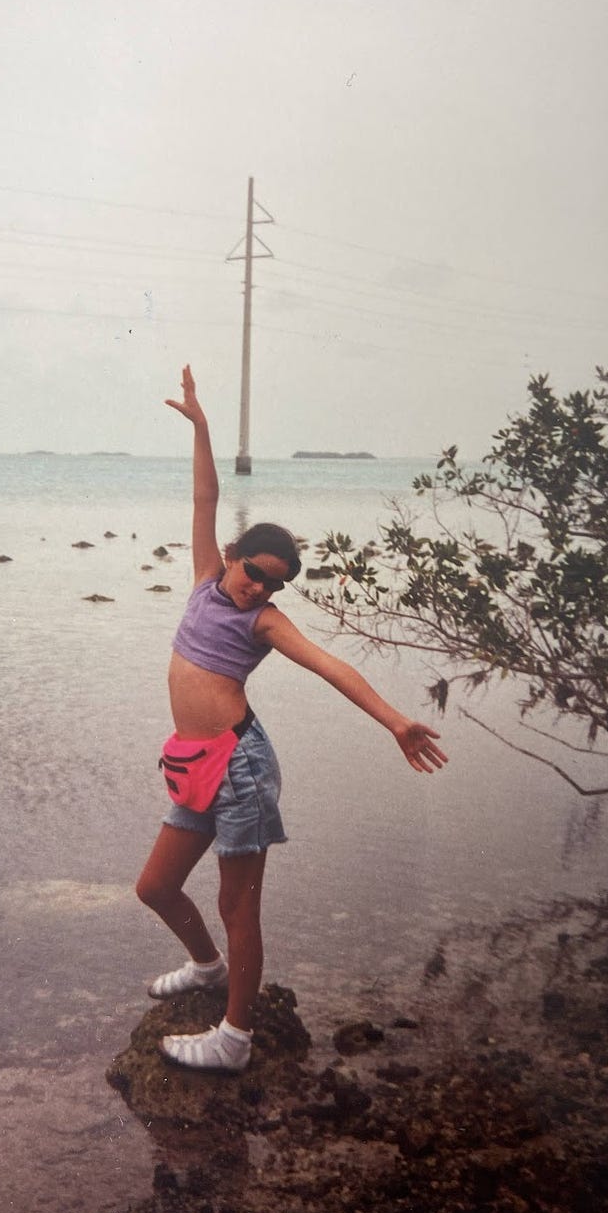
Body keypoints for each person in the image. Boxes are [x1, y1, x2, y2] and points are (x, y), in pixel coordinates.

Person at [136, 365, 448, 1073]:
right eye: (255, 573)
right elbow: (205, 496)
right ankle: (208, 970)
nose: (259, 589)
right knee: (155, 886)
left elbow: (333, 665)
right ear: (235, 556)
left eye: (273, 583)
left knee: (237, 902)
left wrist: (396, 720)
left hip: (239, 766)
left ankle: (234, 1037)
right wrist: (203, 427)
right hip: (193, 761)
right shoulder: (203, 578)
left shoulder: (265, 622)